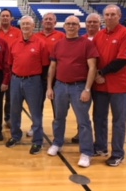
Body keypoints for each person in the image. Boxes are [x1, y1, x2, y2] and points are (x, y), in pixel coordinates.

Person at [46, 15, 99, 168]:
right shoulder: (58, 44)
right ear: (64, 27)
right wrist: (50, 87)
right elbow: (52, 67)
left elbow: (92, 68)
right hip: (60, 86)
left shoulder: (87, 44)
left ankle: (86, 152)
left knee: (83, 122)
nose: (71, 26)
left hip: (79, 87)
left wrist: (87, 89)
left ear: (79, 27)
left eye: (74, 24)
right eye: (68, 24)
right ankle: (57, 143)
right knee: (59, 118)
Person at [93, 4, 126, 167]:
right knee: (99, 118)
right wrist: (95, 74)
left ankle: (118, 153)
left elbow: (123, 60)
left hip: (119, 87)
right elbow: (93, 57)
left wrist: (102, 74)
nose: (109, 17)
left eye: (112, 14)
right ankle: (101, 147)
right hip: (100, 87)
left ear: (119, 16)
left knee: (119, 121)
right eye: (107, 15)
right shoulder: (99, 35)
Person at [5, 15, 49, 155]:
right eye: (23, 24)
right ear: (20, 26)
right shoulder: (14, 43)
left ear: (33, 26)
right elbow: (11, 63)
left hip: (33, 81)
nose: (25, 26)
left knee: (35, 113)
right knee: (14, 111)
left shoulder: (40, 43)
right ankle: (15, 136)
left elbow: (45, 66)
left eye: (28, 24)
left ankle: (37, 141)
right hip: (16, 80)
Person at [25, 13, 65, 138]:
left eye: (51, 19)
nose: (48, 21)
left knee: (57, 106)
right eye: (46, 19)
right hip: (39, 74)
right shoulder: (35, 36)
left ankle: (57, 131)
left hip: (56, 75)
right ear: (42, 22)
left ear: (55, 22)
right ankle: (35, 127)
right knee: (37, 104)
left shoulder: (62, 36)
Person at [71, 12, 101, 143]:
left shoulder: (103, 37)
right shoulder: (81, 39)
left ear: (100, 24)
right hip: (83, 81)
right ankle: (80, 133)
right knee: (81, 111)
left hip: (101, 81)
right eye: (89, 22)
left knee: (99, 113)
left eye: (95, 22)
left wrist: (100, 74)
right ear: (85, 24)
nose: (92, 24)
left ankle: (99, 140)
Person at [0, 9, 22, 129]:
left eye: (7, 16)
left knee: (11, 97)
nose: (5, 18)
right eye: (3, 16)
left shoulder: (17, 32)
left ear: (11, 18)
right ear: (0, 17)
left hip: (12, 69)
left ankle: (8, 118)